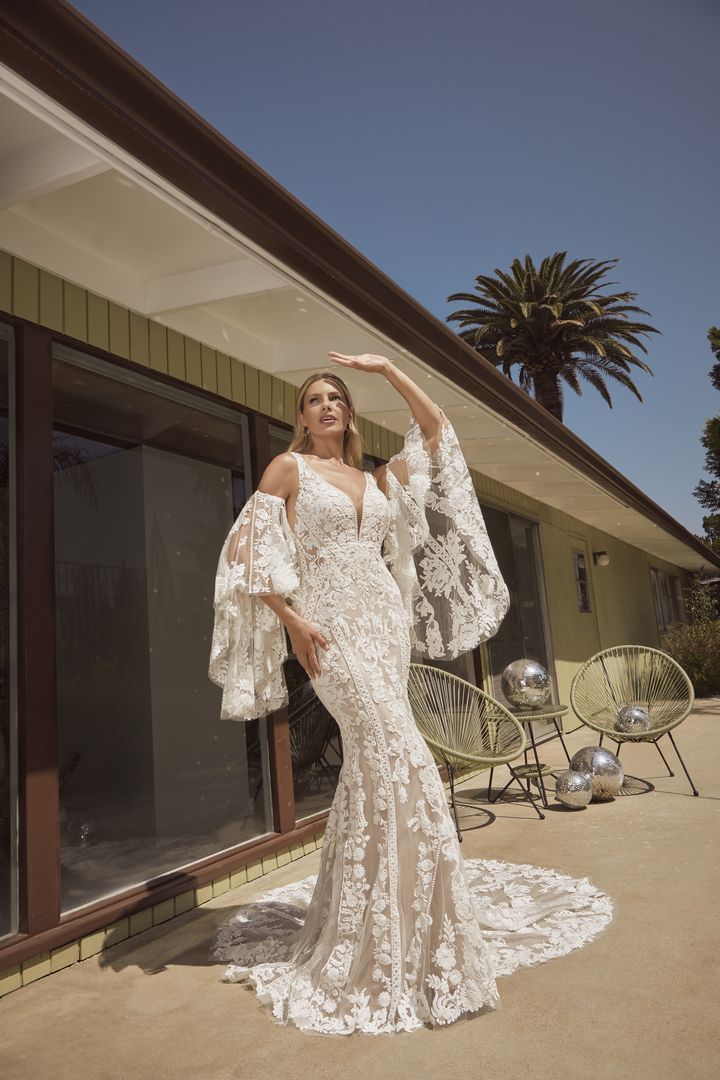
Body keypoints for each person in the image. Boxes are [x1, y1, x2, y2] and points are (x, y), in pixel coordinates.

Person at [208, 353, 613, 1035]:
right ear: (301, 416)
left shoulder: (375, 478)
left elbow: (435, 431)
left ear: (349, 413)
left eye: (337, 397)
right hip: (330, 636)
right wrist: (293, 621)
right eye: (316, 399)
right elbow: (245, 554)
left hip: (384, 629)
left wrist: (392, 369)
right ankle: (397, 922)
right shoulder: (288, 470)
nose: (328, 406)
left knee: (378, 766)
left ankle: (384, 912)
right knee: (401, 757)